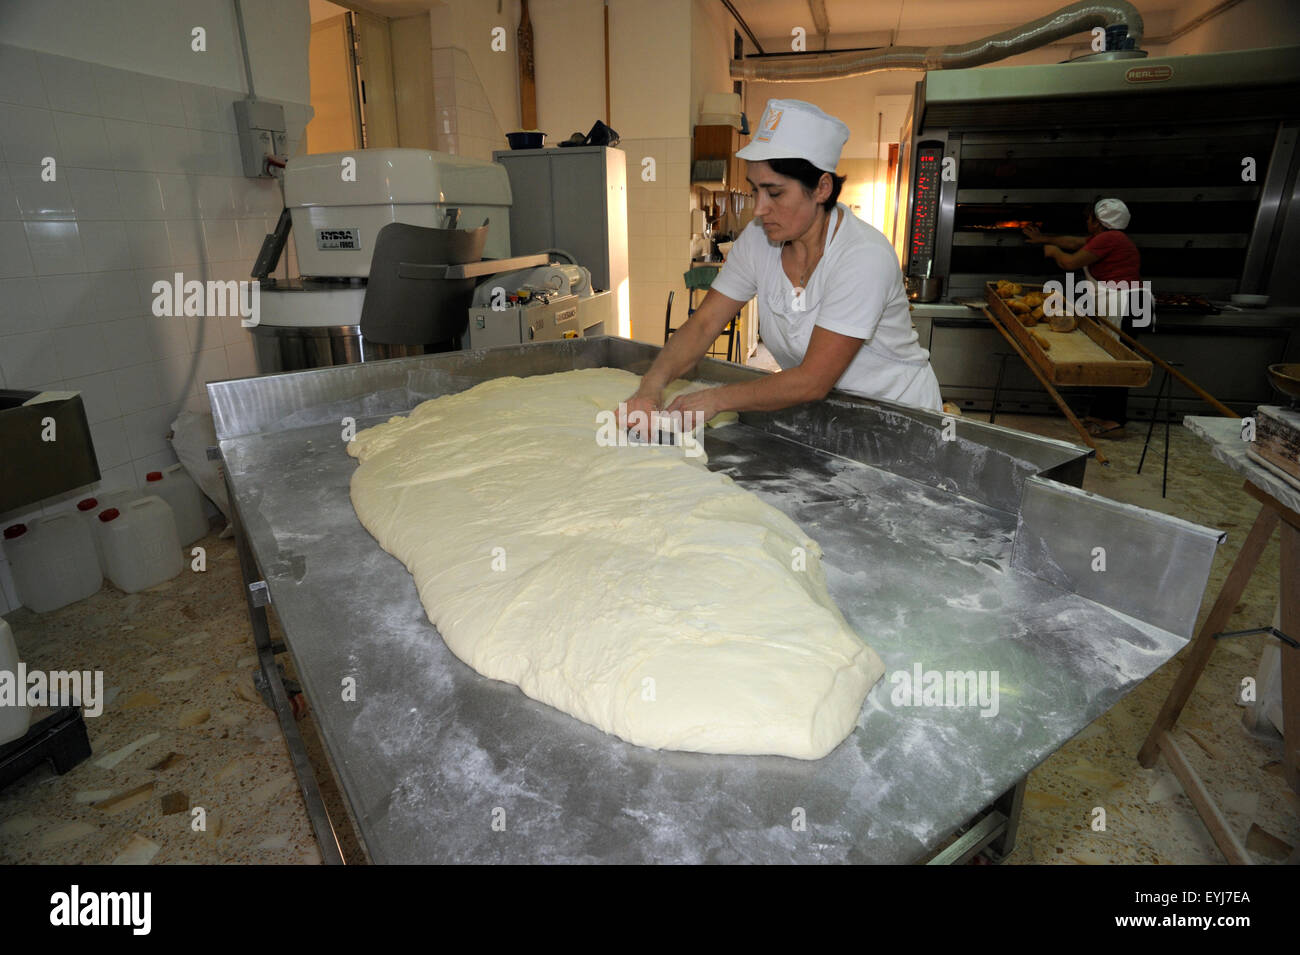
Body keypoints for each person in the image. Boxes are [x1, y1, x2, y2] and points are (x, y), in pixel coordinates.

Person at [620, 98, 942, 438]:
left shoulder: (863, 257)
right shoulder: (759, 241)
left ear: (822, 188)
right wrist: (650, 386)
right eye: (755, 190)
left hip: (902, 422)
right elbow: (703, 324)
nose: (759, 209)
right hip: (830, 418)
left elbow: (813, 380)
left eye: (774, 193)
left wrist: (715, 399)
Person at [1023, 198, 1141, 439]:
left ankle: (1114, 421)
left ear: (1098, 222)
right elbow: (1073, 242)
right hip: (1117, 304)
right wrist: (1043, 238)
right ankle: (1100, 414)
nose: (1086, 222)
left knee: (1117, 364)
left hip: (1123, 305)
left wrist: (1053, 251)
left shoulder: (1110, 239)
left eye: (1089, 218)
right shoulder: (1109, 238)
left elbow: (1070, 262)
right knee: (1107, 360)